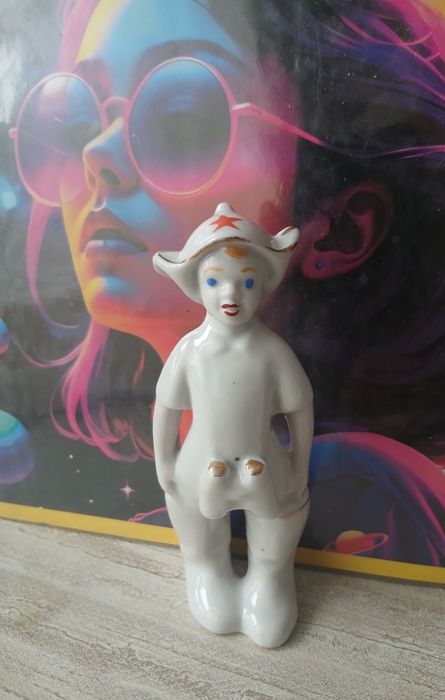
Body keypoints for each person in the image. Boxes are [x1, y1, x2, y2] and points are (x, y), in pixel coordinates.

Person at [9, 0, 445, 568]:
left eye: (182, 121)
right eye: (79, 122)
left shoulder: (370, 491)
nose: (95, 153)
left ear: (337, 228)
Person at [152, 202, 313, 646]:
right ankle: (207, 572)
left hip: (265, 464)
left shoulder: (272, 352)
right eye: (214, 280)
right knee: (199, 539)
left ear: (263, 284)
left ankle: (270, 578)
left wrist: (299, 467)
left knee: (277, 528)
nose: (231, 294)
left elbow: (300, 409)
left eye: (246, 281)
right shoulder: (190, 351)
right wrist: (164, 462)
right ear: (196, 285)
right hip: (199, 464)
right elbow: (166, 406)